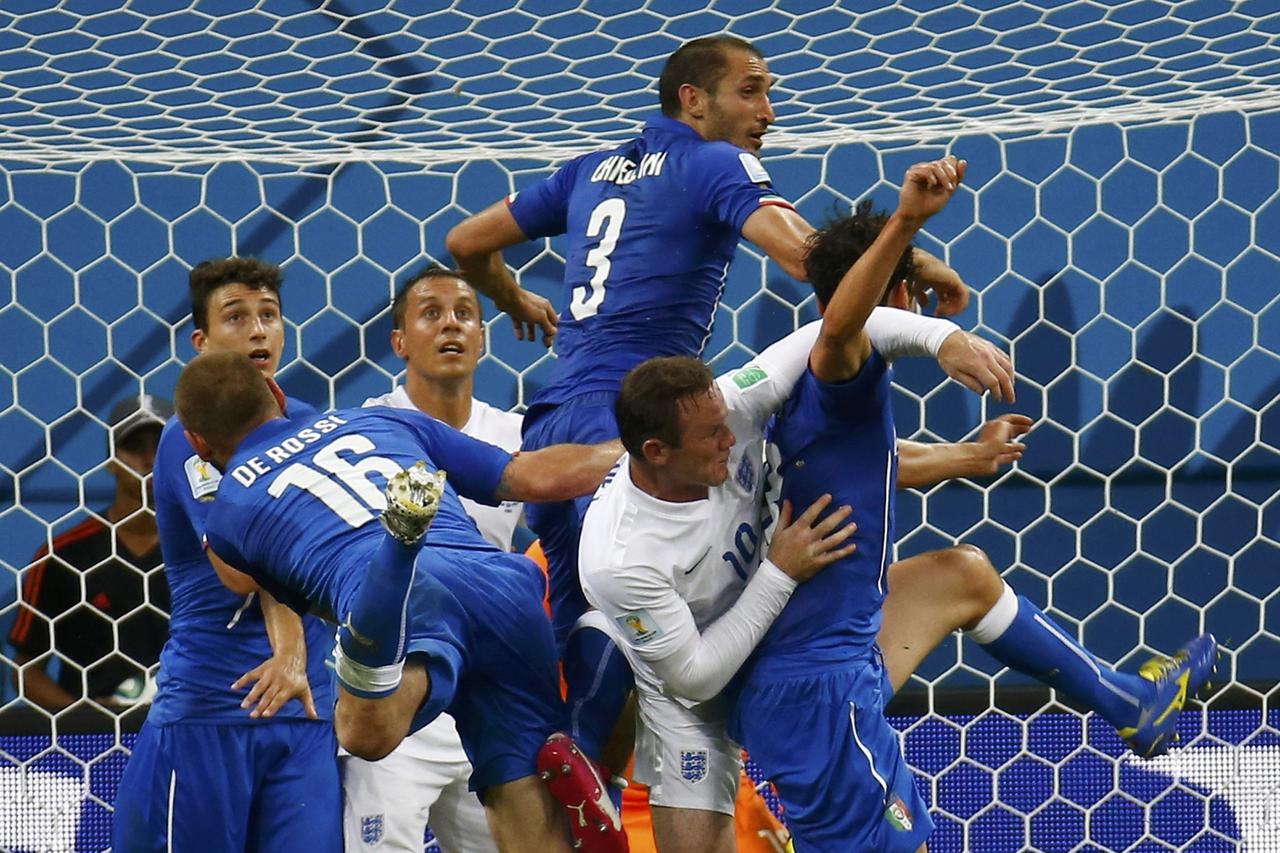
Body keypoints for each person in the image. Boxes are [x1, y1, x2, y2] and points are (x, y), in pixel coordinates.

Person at [445, 34, 985, 774]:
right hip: (638, 422)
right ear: (692, 100)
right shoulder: (714, 163)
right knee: (703, 595)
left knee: (596, 622)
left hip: (553, 418)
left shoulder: (587, 170)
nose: (768, 108)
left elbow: (466, 240)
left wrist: (514, 296)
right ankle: (773, 747)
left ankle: (574, 787)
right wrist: (917, 256)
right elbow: (806, 258)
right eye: (751, 90)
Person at [727, 157, 1218, 851]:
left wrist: (967, 455)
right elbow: (844, 326)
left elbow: (867, 467)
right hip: (815, 683)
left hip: (824, 655)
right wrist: (907, 221)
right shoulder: (837, 367)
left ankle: (1129, 703)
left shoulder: (802, 394)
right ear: (894, 290)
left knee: (961, 574)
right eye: (911, 289)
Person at [576, 254, 1016, 853]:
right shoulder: (620, 557)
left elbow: (834, 329)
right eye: (712, 438)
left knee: (962, 575)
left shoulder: (730, 404)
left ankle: (1128, 702)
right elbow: (697, 676)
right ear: (656, 451)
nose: (731, 439)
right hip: (692, 683)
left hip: (791, 652)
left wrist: (945, 341)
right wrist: (780, 571)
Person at [175, 350, 627, 853]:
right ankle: (591, 746)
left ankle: (398, 547)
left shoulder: (229, 515)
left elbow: (283, 595)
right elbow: (532, 477)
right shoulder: (382, 420)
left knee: (360, 732)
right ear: (278, 394)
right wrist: (642, 444)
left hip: (405, 603)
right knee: (516, 777)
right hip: (502, 586)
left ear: (196, 442)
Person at [112, 258, 341, 853]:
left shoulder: (317, 428)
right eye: (236, 317)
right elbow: (240, 570)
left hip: (306, 712)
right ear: (202, 342)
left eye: (269, 316)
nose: (258, 330)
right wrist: (289, 647)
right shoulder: (186, 435)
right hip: (212, 708)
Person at [345, 265, 517, 853]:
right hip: (396, 699)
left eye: (465, 313)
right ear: (398, 342)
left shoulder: (515, 439)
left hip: (487, 699)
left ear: (483, 337)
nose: (451, 324)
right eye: (431, 313)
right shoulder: (365, 434)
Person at [10, 394, 171, 714]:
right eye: (135, 447)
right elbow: (25, 670)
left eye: (162, 446)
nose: (150, 459)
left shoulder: (209, 548)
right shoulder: (63, 556)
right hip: (92, 747)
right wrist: (83, 719)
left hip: (188, 733)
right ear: (110, 461)